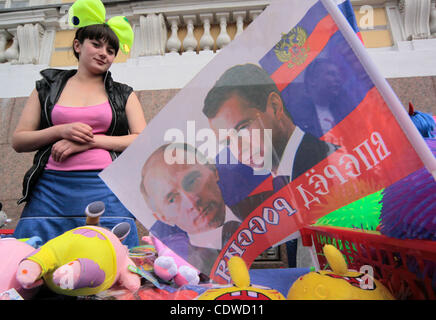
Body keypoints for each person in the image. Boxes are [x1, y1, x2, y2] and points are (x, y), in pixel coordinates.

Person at [11, 0, 146, 248]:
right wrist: (60, 130)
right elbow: (19, 140)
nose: (103, 53)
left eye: (111, 50)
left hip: (103, 187)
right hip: (50, 189)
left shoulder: (124, 93)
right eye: (96, 44)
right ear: (77, 45)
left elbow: (141, 138)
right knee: (31, 262)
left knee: (107, 263)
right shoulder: (46, 88)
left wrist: (87, 142)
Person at [202, 63, 339, 267]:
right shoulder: (281, 177)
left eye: (242, 128)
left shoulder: (329, 162)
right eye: (227, 141)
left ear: (275, 106)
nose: (238, 149)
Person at [140, 143, 258, 274]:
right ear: (163, 218)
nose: (191, 201)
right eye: (172, 199)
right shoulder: (179, 265)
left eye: (191, 180)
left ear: (213, 170)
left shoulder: (269, 202)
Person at [290, 58, 355, 138]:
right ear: (313, 80)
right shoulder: (297, 115)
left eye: (338, 75)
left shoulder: (345, 108)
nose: (338, 79)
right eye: (331, 74)